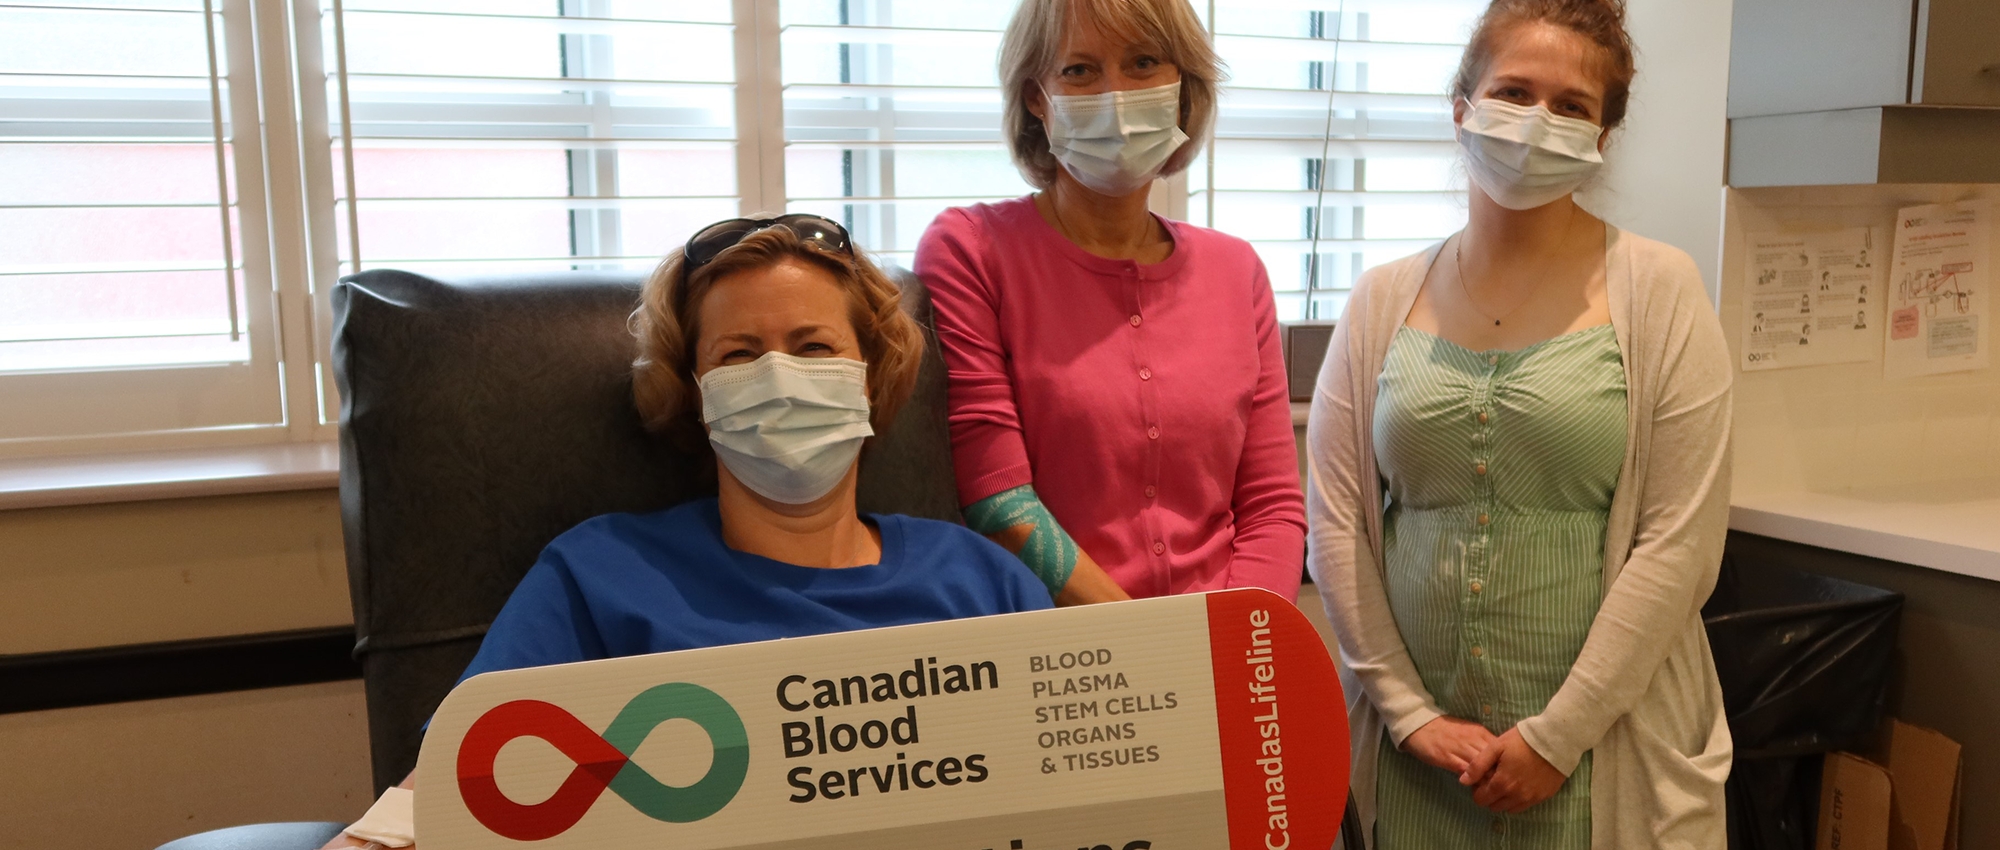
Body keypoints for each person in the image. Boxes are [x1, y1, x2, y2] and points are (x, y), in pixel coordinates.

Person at [319, 216, 1052, 849]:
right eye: (738, 355)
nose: (780, 376)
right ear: (694, 393)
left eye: (815, 348)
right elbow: (463, 779)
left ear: (873, 374)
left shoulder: (985, 582)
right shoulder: (600, 575)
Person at [1306, 1, 1733, 847]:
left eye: (1571, 106)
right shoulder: (1381, 299)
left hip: (1603, 758)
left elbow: (1678, 543)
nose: (1537, 122)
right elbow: (1337, 518)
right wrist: (1404, 711)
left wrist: (1557, 736)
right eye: (1513, 91)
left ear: (1602, 138)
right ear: (1462, 108)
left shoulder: (1661, 290)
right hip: (1417, 764)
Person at [915, 0, 1305, 606]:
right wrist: (1148, 648)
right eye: (1079, 70)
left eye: (1144, 62)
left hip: (1232, 647)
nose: (1116, 94)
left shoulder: (1237, 271)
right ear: (1036, 98)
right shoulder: (971, 249)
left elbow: (1272, 506)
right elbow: (997, 498)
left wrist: (1239, 642)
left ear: (1182, 88)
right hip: (1060, 651)